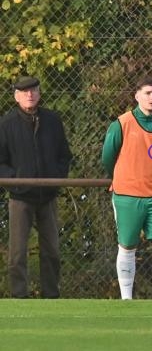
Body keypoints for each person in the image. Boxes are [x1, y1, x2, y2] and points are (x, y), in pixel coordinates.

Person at [102, 77, 152, 300]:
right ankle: (127, 298)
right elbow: (108, 157)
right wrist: (121, 178)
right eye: (147, 93)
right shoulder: (122, 123)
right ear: (137, 96)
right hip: (127, 194)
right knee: (127, 245)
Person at [0, 76, 73, 298]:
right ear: (16, 96)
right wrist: (15, 179)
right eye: (24, 91)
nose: (29, 95)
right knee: (17, 252)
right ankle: (19, 297)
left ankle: (51, 296)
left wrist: (56, 177)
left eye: (33, 90)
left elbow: (64, 155)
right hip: (20, 197)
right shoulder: (6, 124)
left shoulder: (53, 121)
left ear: (39, 94)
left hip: (48, 196)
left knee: (51, 250)